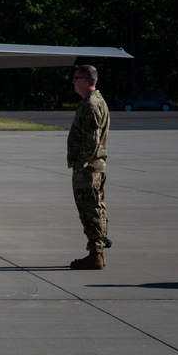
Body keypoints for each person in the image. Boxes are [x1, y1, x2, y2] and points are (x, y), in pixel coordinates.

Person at [67, 64, 110, 270]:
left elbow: (92, 142)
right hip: (94, 167)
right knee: (94, 207)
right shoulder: (97, 101)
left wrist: (81, 165)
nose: (73, 82)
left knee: (90, 209)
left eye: (75, 78)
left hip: (88, 169)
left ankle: (96, 253)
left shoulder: (91, 105)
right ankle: (97, 248)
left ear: (85, 81)